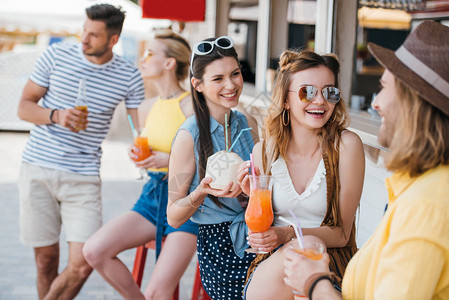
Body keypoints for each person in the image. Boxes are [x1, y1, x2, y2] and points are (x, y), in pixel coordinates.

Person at [283, 20, 449, 300]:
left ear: (412, 102)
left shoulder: (426, 205)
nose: (375, 103)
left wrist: (315, 282)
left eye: (384, 87)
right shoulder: (419, 187)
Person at [16, 4, 144, 299]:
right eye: (83, 31)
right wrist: (56, 115)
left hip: (84, 175)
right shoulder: (55, 55)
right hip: (38, 168)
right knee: (45, 260)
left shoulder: (128, 74)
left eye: (93, 35)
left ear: (113, 40)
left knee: (84, 261)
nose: (83, 39)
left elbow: (142, 127)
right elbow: (24, 106)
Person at [239, 49, 365, 300]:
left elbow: (341, 234)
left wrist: (288, 234)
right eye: (307, 92)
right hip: (273, 266)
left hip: (331, 267)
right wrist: (248, 195)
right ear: (285, 100)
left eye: (329, 92)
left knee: (301, 248)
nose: (320, 101)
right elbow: (259, 229)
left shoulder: (347, 146)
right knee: (293, 252)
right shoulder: (264, 151)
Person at [82, 30, 198, 300]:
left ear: (169, 63)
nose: (142, 59)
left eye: (150, 53)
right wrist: (138, 155)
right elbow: (151, 148)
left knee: (159, 291)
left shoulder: (192, 105)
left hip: (187, 201)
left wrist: (169, 161)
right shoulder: (147, 106)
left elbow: (210, 159)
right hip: (153, 195)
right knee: (94, 250)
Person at [167, 36, 259, 299]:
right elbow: (173, 216)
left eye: (235, 74)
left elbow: (263, 182)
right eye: (218, 79)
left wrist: (251, 191)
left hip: (257, 234)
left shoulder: (248, 123)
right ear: (198, 84)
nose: (231, 85)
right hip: (219, 246)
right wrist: (202, 192)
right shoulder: (189, 136)